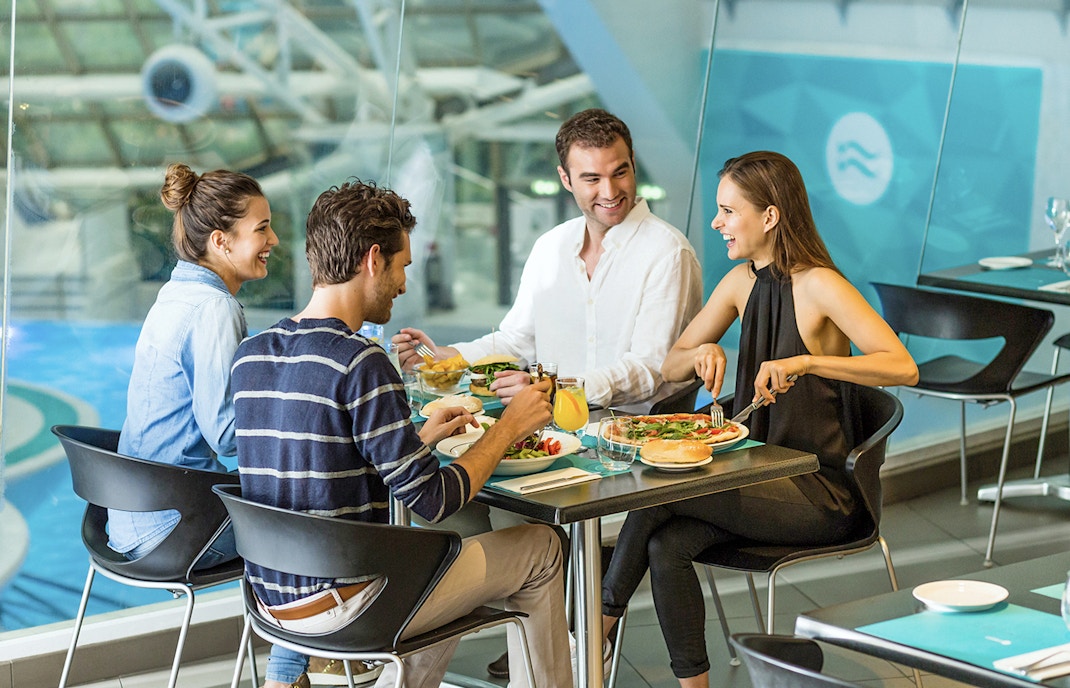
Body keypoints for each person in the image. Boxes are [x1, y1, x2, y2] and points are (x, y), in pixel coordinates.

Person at [230, 179, 572, 688]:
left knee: (441, 551)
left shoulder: (252, 354)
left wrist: (421, 440)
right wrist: (509, 427)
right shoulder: (361, 361)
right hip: (350, 606)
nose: (405, 284)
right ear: (373, 259)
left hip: (271, 605)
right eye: (403, 266)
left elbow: (321, 463)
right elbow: (434, 501)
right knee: (542, 547)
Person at [599, 151, 919, 688]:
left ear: (769, 217)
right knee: (665, 544)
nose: (716, 222)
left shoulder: (820, 285)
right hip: (755, 477)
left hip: (820, 493)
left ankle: (588, 633)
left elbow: (902, 368)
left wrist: (810, 360)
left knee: (657, 493)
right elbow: (673, 362)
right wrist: (703, 355)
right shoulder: (740, 282)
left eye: (728, 211)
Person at [394, 107, 704, 414]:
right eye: (592, 179)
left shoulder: (668, 253)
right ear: (566, 179)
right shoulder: (550, 247)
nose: (609, 191)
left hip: (636, 439)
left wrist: (556, 388)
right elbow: (517, 342)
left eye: (619, 172)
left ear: (633, 163)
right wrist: (443, 357)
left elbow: (649, 369)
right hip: (551, 431)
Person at [109, 162, 277, 570]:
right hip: (179, 529)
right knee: (326, 518)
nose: (274, 239)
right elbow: (227, 436)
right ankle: (313, 630)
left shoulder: (175, 292)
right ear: (221, 241)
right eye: (262, 228)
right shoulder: (214, 307)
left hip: (130, 523)